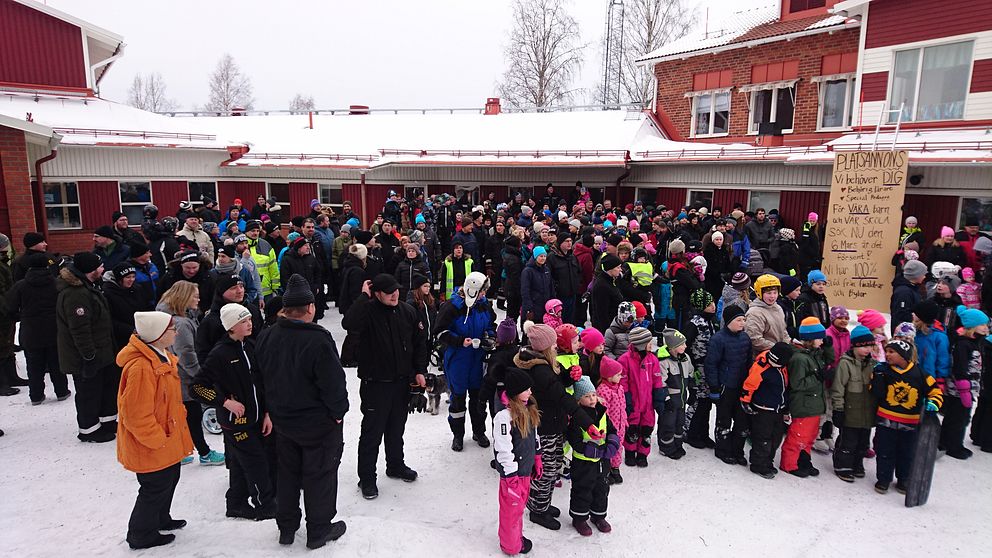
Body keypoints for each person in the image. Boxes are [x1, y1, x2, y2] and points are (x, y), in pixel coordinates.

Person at [256, 274, 348, 548]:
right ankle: (318, 530)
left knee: (287, 474)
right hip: (318, 424)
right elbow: (333, 384)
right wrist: (338, 412)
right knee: (320, 475)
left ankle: (287, 527)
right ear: (310, 308)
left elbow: (259, 377)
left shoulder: (267, 335)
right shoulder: (318, 340)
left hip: (283, 421)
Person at [342, 273, 427, 499]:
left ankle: (395, 465)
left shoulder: (407, 311)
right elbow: (348, 323)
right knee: (372, 433)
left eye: (397, 290)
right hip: (375, 385)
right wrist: (362, 296)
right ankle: (367, 478)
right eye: (389, 292)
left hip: (401, 383)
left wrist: (419, 370)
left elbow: (419, 343)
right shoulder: (367, 311)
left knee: (396, 428)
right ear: (376, 293)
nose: (394, 294)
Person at [116, 311, 193, 549]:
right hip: (152, 443)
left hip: (166, 439)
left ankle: (160, 518)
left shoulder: (161, 357)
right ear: (157, 335)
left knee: (170, 479)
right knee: (154, 487)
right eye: (171, 329)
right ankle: (141, 533)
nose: (176, 332)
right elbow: (136, 414)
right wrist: (158, 439)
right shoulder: (141, 367)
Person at [192, 303, 276, 520]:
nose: (249, 324)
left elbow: (261, 383)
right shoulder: (220, 354)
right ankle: (265, 504)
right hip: (235, 422)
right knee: (256, 462)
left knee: (240, 463)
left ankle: (236, 503)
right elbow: (197, 387)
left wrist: (267, 413)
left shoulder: (250, 346)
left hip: (257, 418)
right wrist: (224, 402)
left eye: (249, 320)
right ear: (231, 327)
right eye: (243, 321)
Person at [513, 321, 595, 531]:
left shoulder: (543, 363)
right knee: (547, 470)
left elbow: (556, 385)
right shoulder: (541, 370)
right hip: (546, 426)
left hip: (553, 423)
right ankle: (538, 510)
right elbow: (561, 397)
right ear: (545, 346)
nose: (556, 347)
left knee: (554, 464)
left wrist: (568, 377)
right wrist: (588, 423)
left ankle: (542, 504)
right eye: (553, 344)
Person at [157, 280, 225, 467]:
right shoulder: (182, 324)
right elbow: (186, 354)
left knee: (180, 416)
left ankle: (177, 452)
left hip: (174, 376)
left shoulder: (168, 317)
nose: (198, 298)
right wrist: (201, 377)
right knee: (192, 416)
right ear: (184, 297)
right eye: (195, 296)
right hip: (184, 380)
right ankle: (204, 453)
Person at [56, 253, 118, 442]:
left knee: (105, 388)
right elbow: (80, 330)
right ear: (91, 270)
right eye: (100, 266)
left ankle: (106, 420)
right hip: (86, 355)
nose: (103, 269)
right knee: (88, 392)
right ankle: (88, 429)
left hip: (103, 351)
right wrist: (88, 357)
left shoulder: (88, 287)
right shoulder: (76, 294)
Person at [870, 339, 943, 494]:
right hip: (886, 421)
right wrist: (877, 377)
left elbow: (935, 391)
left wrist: (934, 403)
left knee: (907, 453)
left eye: (891, 352)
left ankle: (904, 479)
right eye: (887, 351)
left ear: (903, 355)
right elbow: (876, 392)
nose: (887, 355)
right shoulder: (884, 370)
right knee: (884, 451)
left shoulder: (921, 374)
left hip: (910, 423)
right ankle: (883, 479)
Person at [434, 272, 496, 451]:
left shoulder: (484, 305)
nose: (484, 295)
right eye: (482, 291)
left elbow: (491, 324)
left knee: (478, 399)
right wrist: (459, 341)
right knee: (458, 400)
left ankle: (479, 431)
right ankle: (458, 435)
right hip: (458, 360)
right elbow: (439, 332)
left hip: (478, 360)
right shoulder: (452, 306)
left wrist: (490, 336)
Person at [5, 253, 69, 403]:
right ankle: (61, 391)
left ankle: (36, 395)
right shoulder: (56, 284)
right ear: (47, 265)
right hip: (54, 329)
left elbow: (9, 306)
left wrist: (21, 317)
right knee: (56, 363)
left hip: (30, 331)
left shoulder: (20, 285)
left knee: (34, 365)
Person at [492, 368, 540, 555]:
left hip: (525, 471)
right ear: (515, 392)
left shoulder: (528, 410)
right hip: (512, 475)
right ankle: (511, 546)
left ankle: (516, 536)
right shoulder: (504, 417)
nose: (530, 392)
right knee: (510, 512)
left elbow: (534, 436)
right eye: (526, 389)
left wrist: (537, 456)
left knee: (519, 508)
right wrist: (510, 474)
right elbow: (503, 448)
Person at [566, 376, 617, 537]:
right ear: (579, 399)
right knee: (583, 490)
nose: (592, 399)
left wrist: (612, 444)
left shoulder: (602, 412)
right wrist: (588, 450)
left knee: (601, 489)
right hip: (584, 462)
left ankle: (599, 515)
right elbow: (574, 439)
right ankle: (579, 518)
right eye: (587, 396)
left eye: (593, 395)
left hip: (602, 461)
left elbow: (612, 430)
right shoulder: (577, 417)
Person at [780, 318, 830, 478]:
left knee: (809, 437)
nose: (822, 341)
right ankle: (789, 464)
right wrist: (818, 377)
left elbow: (830, 360)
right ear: (809, 339)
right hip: (804, 404)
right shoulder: (800, 358)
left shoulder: (814, 353)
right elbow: (797, 383)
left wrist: (828, 347)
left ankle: (803, 460)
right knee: (798, 436)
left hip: (814, 403)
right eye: (820, 338)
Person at [706, 305, 753, 465]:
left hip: (742, 386)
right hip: (726, 386)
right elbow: (711, 364)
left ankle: (737, 450)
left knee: (742, 421)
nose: (742, 323)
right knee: (724, 420)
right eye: (739, 320)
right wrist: (714, 387)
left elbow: (749, 362)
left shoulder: (745, 338)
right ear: (728, 321)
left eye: (744, 320)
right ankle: (723, 449)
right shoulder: (718, 339)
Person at [739, 342, 794, 479]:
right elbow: (749, 386)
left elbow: (785, 389)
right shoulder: (761, 367)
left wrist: (786, 408)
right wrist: (745, 402)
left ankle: (768, 461)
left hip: (778, 409)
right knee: (763, 438)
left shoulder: (783, 368)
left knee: (776, 438)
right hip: (763, 410)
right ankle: (758, 464)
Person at [830, 326, 878, 482]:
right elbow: (838, 388)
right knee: (848, 441)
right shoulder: (846, 363)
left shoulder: (873, 364)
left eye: (870, 346)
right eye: (863, 346)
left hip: (867, 412)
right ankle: (842, 465)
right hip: (850, 411)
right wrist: (838, 408)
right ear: (855, 346)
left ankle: (857, 464)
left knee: (863, 442)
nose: (867, 349)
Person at [943, 305, 988, 460]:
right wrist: (964, 391)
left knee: (959, 417)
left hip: (968, 389)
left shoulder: (975, 342)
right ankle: (953, 446)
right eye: (982, 324)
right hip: (959, 390)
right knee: (958, 418)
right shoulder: (963, 344)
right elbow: (960, 368)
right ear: (972, 326)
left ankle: (946, 442)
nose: (986, 327)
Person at [617, 326, 665, 468]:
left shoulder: (652, 360)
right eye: (649, 342)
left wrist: (658, 397)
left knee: (646, 430)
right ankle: (631, 453)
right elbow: (623, 382)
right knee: (632, 430)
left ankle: (643, 454)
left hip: (648, 404)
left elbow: (657, 379)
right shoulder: (624, 360)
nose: (652, 345)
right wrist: (627, 399)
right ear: (641, 344)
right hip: (634, 403)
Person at [683, 289, 718, 449]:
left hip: (709, 369)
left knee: (706, 403)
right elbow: (685, 347)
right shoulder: (694, 324)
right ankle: (690, 433)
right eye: (710, 304)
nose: (714, 306)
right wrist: (692, 368)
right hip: (697, 369)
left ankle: (703, 433)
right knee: (697, 401)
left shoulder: (710, 321)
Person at [103, 261, 153, 353]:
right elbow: (110, 319)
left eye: (133, 277)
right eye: (128, 277)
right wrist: (131, 330)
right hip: (122, 338)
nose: (131, 280)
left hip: (141, 333)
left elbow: (146, 308)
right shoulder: (108, 293)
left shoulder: (137, 289)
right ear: (119, 278)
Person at [657, 329, 692, 460]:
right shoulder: (664, 362)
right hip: (670, 400)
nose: (686, 346)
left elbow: (690, 373)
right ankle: (666, 447)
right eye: (682, 344)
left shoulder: (685, 358)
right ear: (673, 347)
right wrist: (666, 399)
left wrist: (693, 389)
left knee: (680, 422)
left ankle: (678, 443)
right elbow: (660, 383)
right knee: (668, 423)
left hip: (682, 398)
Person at [595, 356, 626, 484]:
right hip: (610, 427)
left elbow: (623, 405)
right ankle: (606, 470)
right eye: (618, 374)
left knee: (619, 447)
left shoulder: (619, 388)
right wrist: (606, 426)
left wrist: (625, 420)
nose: (621, 377)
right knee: (609, 447)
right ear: (609, 376)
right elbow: (603, 411)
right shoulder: (603, 390)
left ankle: (615, 467)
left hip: (621, 424)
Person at [745, 274, 789, 353]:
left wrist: (788, 344)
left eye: (775, 293)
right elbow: (754, 339)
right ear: (759, 293)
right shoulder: (754, 313)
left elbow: (784, 331)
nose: (772, 296)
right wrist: (776, 348)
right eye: (768, 293)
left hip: (781, 353)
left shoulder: (778, 308)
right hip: (764, 356)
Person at [590, 254, 624, 333]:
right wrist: (608, 332)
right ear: (610, 268)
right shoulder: (602, 285)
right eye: (618, 267)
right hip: (606, 329)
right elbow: (601, 313)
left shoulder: (612, 280)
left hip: (613, 325)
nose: (620, 270)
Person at [890, 259, 927, 330]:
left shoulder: (913, 288)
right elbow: (901, 314)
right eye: (923, 274)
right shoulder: (904, 292)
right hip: (904, 332)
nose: (924, 277)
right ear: (916, 275)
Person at [521, 246, 553, 324]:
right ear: (535, 257)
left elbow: (551, 287)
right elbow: (525, 290)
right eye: (541, 256)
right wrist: (529, 308)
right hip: (533, 306)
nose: (543, 258)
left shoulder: (546, 270)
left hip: (545, 305)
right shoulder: (528, 271)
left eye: (545, 256)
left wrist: (552, 302)